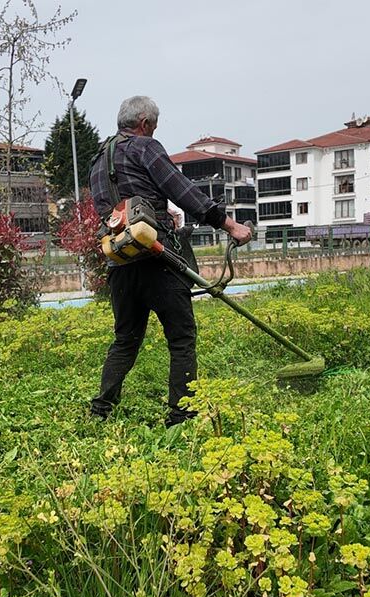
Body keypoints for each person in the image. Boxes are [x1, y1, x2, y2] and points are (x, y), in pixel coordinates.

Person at [88, 95, 253, 426]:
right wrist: (230, 225)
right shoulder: (145, 147)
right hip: (158, 259)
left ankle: (101, 411)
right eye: (154, 126)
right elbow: (182, 190)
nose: (154, 131)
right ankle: (182, 416)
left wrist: (157, 215)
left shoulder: (97, 161)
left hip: (120, 262)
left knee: (125, 340)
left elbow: (116, 210)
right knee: (181, 338)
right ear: (145, 123)